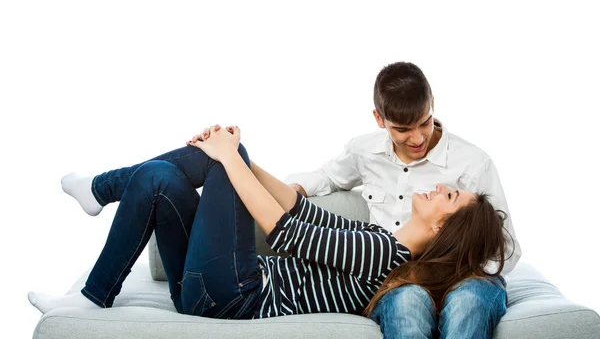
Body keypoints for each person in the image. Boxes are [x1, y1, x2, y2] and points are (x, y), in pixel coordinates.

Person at [28, 124, 507, 329]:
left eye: (448, 195)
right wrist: (239, 153)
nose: (436, 186)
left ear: (447, 228)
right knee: (159, 179)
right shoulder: (382, 241)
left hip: (234, 295)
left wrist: (228, 155)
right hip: (206, 289)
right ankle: (93, 299)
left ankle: (99, 188)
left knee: (224, 154)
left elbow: (282, 230)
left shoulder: (384, 257)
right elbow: (301, 212)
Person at [285, 61, 522, 338]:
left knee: (466, 301)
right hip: (401, 280)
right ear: (379, 119)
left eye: (425, 122)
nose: (418, 138)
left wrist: (458, 270)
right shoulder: (365, 151)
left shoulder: (472, 163)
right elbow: (327, 176)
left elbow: (505, 248)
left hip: (465, 278)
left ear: (432, 103)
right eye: (403, 130)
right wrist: (295, 189)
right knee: (407, 301)